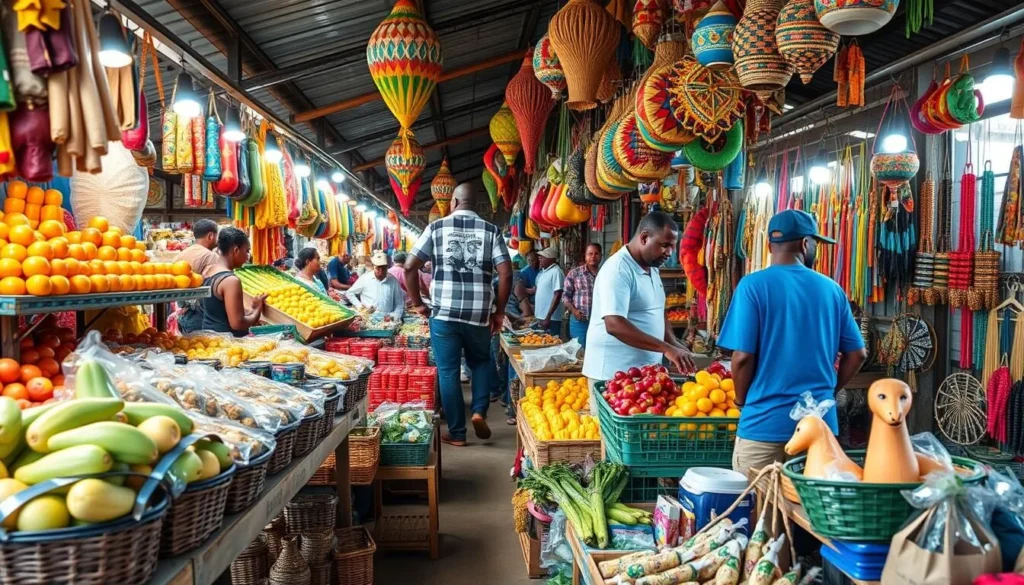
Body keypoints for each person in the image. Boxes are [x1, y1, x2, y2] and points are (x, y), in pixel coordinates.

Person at [718, 209, 868, 478]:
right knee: (810, 513)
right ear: (805, 244)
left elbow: (741, 358)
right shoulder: (832, 289)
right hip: (818, 424)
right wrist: (829, 391)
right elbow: (857, 354)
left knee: (758, 511)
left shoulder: (752, 286)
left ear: (768, 245)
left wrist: (742, 401)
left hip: (763, 422)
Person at [405, 181, 512, 446]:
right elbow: (506, 273)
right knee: (481, 362)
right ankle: (478, 410)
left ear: (452, 203)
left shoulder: (436, 227)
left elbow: (409, 266)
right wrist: (498, 312)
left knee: (448, 371)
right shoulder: (490, 230)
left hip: (445, 316)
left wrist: (418, 303)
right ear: (475, 204)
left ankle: (457, 433)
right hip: (478, 315)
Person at [582, 211, 696, 410]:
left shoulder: (651, 267)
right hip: (613, 377)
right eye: (665, 245)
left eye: (672, 246)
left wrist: (673, 343)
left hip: (644, 377)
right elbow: (614, 324)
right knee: (613, 439)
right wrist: (666, 349)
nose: (670, 253)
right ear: (644, 237)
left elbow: (657, 311)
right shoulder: (617, 270)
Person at [201, 227, 266, 336]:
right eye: (247, 251)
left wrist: (250, 309)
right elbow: (237, 324)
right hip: (227, 343)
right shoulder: (231, 281)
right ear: (236, 250)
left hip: (210, 337)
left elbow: (218, 310)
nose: (247, 257)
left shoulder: (208, 270)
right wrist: (257, 311)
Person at [175, 219, 221, 333]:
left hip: (183, 314)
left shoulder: (181, 255)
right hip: (200, 316)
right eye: (217, 236)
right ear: (211, 236)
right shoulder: (210, 256)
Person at [346, 251, 405, 320]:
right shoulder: (365, 278)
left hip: (387, 320)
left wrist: (394, 316)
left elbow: (399, 304)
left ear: (387, 267)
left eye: (383, 268)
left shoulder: (393, 281)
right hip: (367, 318)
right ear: (374, 267)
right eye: (378, 268)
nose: (381, 271)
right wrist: (359, 306)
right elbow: (349, 293)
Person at [563, 243, 602, 348]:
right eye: (590, 254)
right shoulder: (574, 273)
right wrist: (574, 311)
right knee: (580, 351)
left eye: (596, 253)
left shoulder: (605, 273)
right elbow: (565, 297)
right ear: (585, 256)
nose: (593, 256)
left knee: (596, 350)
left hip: (600, 322)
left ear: (601, 256)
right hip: (580, 321)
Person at [535, 246, 565, 336]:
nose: (540, 259)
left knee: (552, 345)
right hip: (541, 317)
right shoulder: (544, 272)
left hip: (551, 318)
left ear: (551, 259)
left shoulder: (556, 271)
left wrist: (548, 316)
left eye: (543, 257)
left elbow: (558, 294)